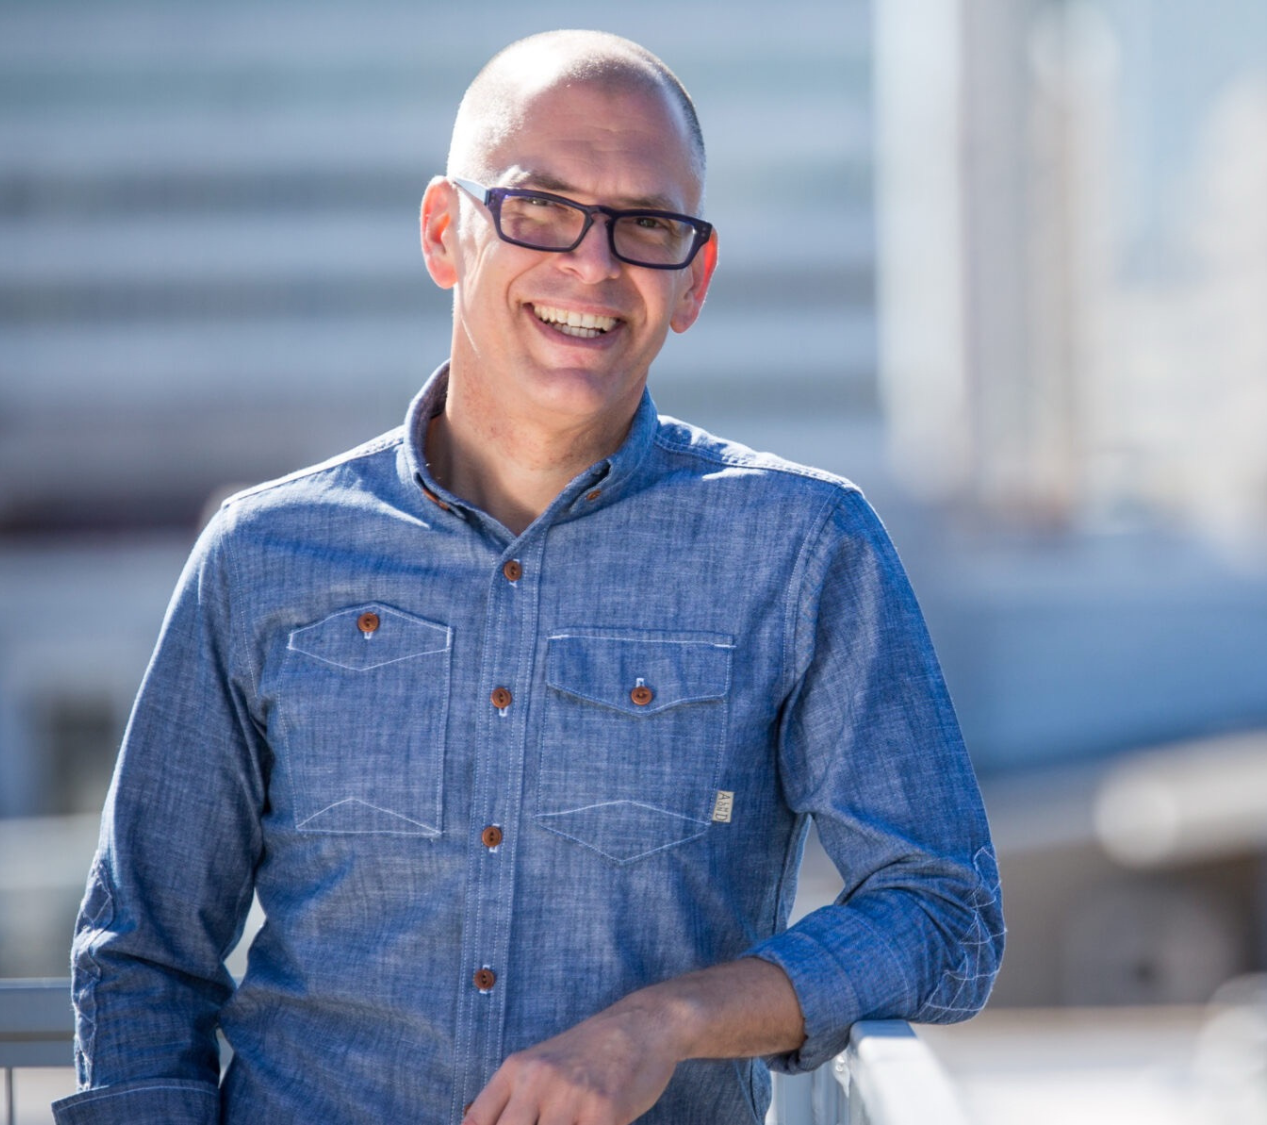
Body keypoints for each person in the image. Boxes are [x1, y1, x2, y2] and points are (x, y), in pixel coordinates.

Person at [56, 29, 1002, 1125]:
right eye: (539, 207)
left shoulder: (803, 548)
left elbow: (942, 914)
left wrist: (667, 1021)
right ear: (443, 233)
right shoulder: (262, 557)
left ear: (692, 282)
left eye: (646, 224)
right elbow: (140, 960)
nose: (592, 266)